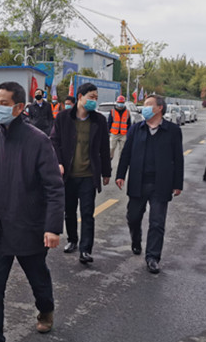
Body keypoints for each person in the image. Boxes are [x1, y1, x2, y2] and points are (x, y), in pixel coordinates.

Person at [0, 81, 64, 342]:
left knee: (37, 277)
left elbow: (54, 187)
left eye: (3, 103)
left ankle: (46, 309)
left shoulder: (38, 141)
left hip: (28, 226)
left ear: (19, 107)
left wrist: (52, 227)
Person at [115, 95, 183, 274]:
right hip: (138, 181)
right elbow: (126, 153)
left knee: (157, 222)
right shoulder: (136, 129)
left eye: (148, 104)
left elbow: (178, 158)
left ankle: (153, 257)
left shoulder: (172, 131)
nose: (144, 108)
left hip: (161, 183)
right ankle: (136, 240)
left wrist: (178, 183)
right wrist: (120, 174)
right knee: (133, 217)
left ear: (159, 108)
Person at [51, 82, 111, 264]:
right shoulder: (63, 118)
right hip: (68, 175)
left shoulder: (99, 120)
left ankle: (86, 249)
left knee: (87, 213)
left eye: (96, 98)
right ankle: (72, 240)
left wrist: (106, 172)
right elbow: (54, 141)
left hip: (88, 175)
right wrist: (58, 163)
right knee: (69, 211)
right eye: (91, 97)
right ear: (80, 97)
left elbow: (104, 148)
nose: (94, 101)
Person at [108, 95, 131, 161]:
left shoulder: (127, 112)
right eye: (119, 102)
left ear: (124, 103)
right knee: (111, 148)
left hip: (123, 134)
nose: (120, 104)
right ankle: (109, 159)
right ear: (117, 102)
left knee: (122, 149)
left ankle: (121, 161)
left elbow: (129, 123)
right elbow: (109, 122)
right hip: (114, 133)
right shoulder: (112, 111)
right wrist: (108, 132)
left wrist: (128, 133)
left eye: (122, 103)